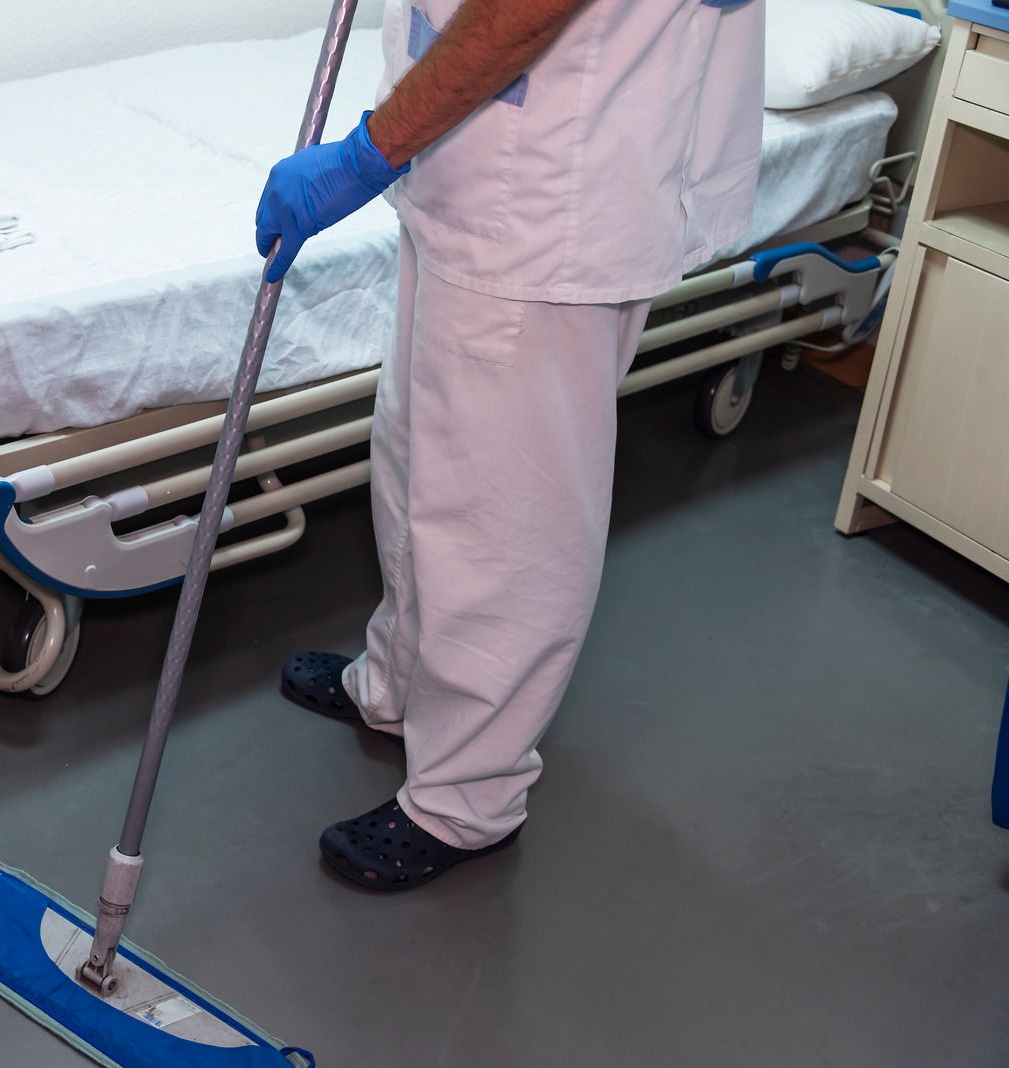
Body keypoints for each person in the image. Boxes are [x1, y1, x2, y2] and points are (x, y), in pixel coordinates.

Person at [257, 0, 765, 891]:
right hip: (470, 159)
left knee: (504, 525)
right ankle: (399, 683)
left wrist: (367, 153)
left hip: (545, 203)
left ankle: (465, 799)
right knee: (419, 458)